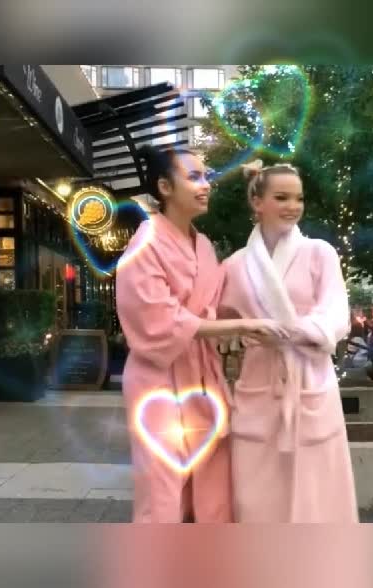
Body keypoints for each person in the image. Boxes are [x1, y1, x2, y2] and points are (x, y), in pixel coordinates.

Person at [116, 146, 287, 522]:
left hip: (203, 377)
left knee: (214, 482)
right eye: (193, 177)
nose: (206, 184)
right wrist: (239, 326)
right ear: (165, 187)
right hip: (157, 380)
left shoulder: (205, 246)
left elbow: (221, 301)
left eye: (206, 176)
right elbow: (158, 321)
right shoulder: (144, 244)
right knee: (162, 489)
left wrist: (261, 204)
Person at [218, 159, 358, 522]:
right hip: (259, 382)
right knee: (256, 493)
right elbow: (218, 319)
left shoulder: (320, 252)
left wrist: (293, 331)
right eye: (281, 197)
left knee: (317, 492)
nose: (292, 206)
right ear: (257, 202)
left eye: (298, 198)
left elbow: (336, 315)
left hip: (309, 380)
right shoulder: (235, 265)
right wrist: (244, 332)